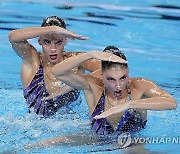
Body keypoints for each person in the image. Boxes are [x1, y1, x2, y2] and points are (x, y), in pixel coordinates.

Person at [25, 45, 176, 148]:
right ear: (101, 75)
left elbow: (171, 102)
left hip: (132, 143)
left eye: (123, 78)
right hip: (96, 140)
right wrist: (89, 55)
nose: (118, 85)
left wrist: (130, 104)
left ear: (128, 73)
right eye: (111, 79)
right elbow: (57, 72)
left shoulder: (140, 86)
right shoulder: (93, 86)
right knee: (41, 145)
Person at [8, 15, 101, 117]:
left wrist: (82, 81)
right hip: (32, 127)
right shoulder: (33, 61)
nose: (53, 48)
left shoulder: (76, 60)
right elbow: (13, 37)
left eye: (58, 42)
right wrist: (54, 29)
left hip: (70, 125)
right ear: (40, 41)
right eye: (47, 42)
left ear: (65, 40)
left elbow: (112, 69)